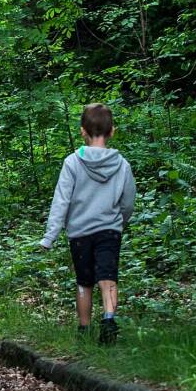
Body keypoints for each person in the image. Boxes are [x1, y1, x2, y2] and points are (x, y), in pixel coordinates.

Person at [40, 102, 136, 344]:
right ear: (112, 130)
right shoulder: (122, 165)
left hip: (80, 232)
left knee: (84, 282)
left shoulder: (72, 163)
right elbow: (128, 201)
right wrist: (121, 222)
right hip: (110, 230)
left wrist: (49, 237)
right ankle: (109, 320)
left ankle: (84, 330)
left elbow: (61, 201)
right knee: (108, 277)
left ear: (82, 131)